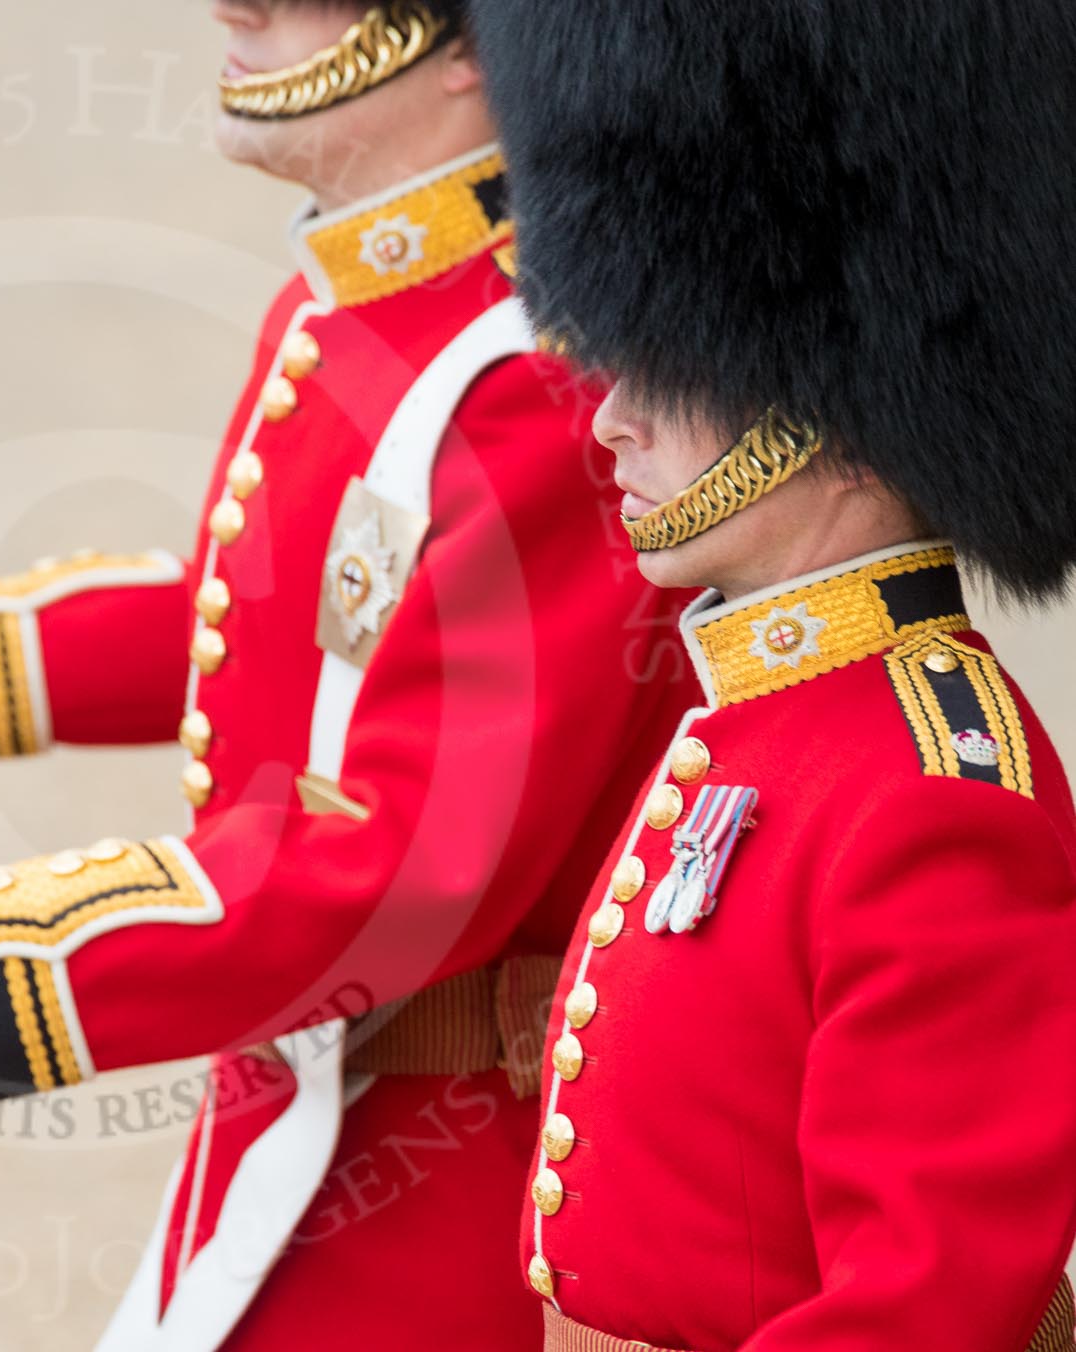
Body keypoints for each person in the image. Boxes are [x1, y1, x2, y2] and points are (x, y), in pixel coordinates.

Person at [0, 3, 692, 1345]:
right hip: (297, 1109)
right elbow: (266, 623)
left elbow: (406, 867)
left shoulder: (529, 375)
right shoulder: (375, 303)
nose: (239, 7)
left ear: (475, 43)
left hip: (454, 1176)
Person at [460, 0, 1076, 1347]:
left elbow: (921, 1313)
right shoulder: (762, 725)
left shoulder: (933, 791)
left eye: (670, 372)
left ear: (843, 421)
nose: (609, 420)